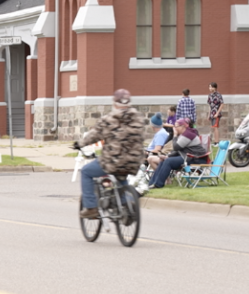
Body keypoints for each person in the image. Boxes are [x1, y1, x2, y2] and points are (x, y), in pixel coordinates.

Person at [76, 89, 147, 218]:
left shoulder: (109, 119)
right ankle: (127, 205)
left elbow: (94, 135)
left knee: (86, 171)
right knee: (121, 178)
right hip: (133, 161)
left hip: (112, 161)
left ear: (114, 103)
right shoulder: (139, 119)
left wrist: (80, 144)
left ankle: (91, 207)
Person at [148, 118, 209, 189]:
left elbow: (176, 147)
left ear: (183, 126)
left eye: (176, 126)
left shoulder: (189, 134)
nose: (175, 128)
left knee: (168, 162)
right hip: (187, 157)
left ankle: (158, 184)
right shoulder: (183, 134)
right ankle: (151, 183)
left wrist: (175, 135)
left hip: (195, 159)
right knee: (164, 160)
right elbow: (178, 150)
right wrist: (168, 156)